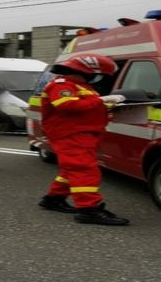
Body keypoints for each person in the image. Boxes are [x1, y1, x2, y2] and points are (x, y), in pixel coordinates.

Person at [38, 54, 129, 226]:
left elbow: (87, 107)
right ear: (86, 71)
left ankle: (53, 199)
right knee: (84, 170)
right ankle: (89, 210)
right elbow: (67, 105)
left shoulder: (80, 86)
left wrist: (107, 105)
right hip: (71, 134)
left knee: (71, 170)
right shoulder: (62, 85)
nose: (98, 78)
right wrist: (101, 100)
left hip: (80, 134)